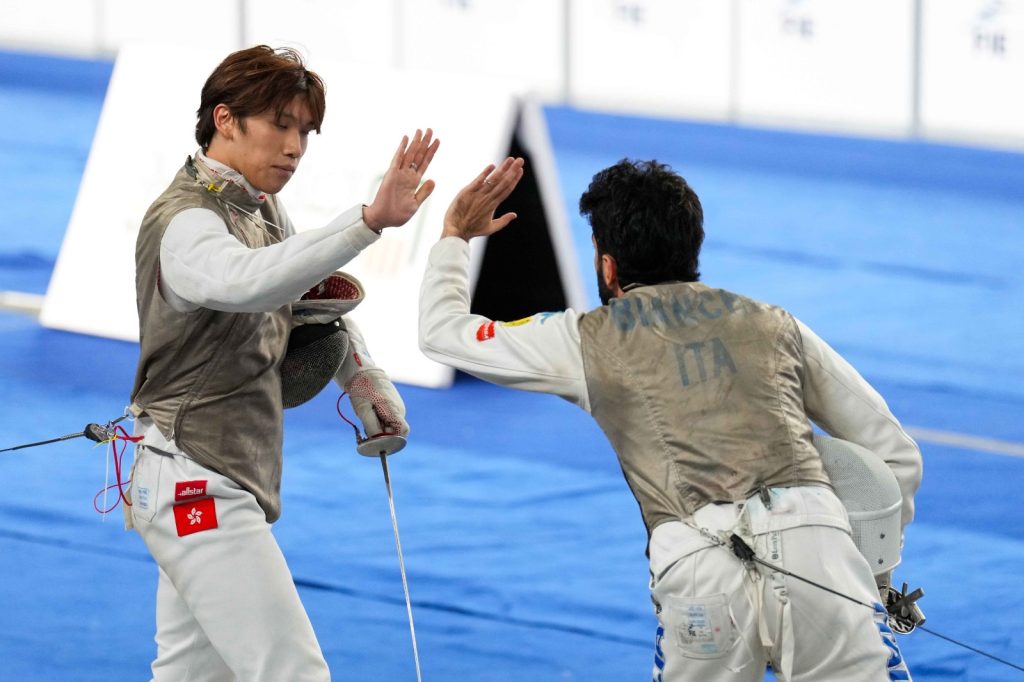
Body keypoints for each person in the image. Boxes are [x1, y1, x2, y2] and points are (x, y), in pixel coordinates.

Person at [418, 157, 923, 681]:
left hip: (698, 568)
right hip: (818, 550)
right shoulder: (776, 324)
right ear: (691, 246)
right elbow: (894, 454)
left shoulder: (582, 338)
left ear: (607, 265)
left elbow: (442, 334)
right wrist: (873, 577)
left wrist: (456, 236)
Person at [126, 45, 438, 681]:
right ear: (225, 119)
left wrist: (364, 379)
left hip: (208, 476)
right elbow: (250, 281)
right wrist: (368, 222)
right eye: (280, 124)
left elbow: (302, 302)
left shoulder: (260, 207)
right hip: (196, 482)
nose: (295, 147)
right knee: (293, 673)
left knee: (190, 677)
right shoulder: (184, 221)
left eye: (305, 131)